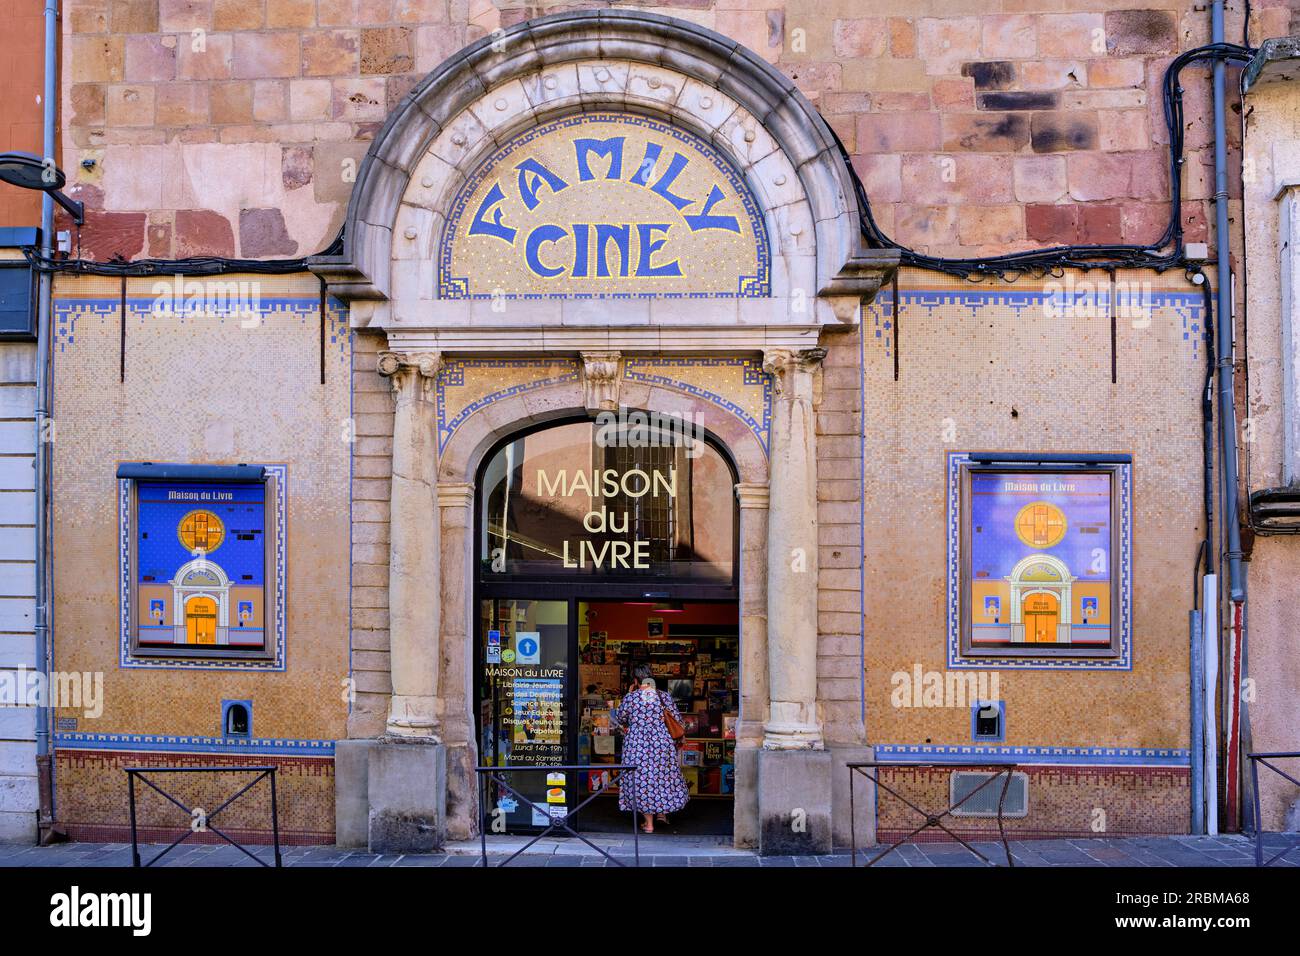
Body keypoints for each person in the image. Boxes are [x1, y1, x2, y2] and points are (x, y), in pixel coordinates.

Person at [608, 665, 689, 833]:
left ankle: (649, 824)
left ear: (636, 681)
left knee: (641, 781)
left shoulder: (632, 698)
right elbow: (678, 719)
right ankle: (661, 814)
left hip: (637, 745)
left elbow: (621, 719)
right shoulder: (663, 696)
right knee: (662, 778)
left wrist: (628, 695)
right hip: (662, 744)